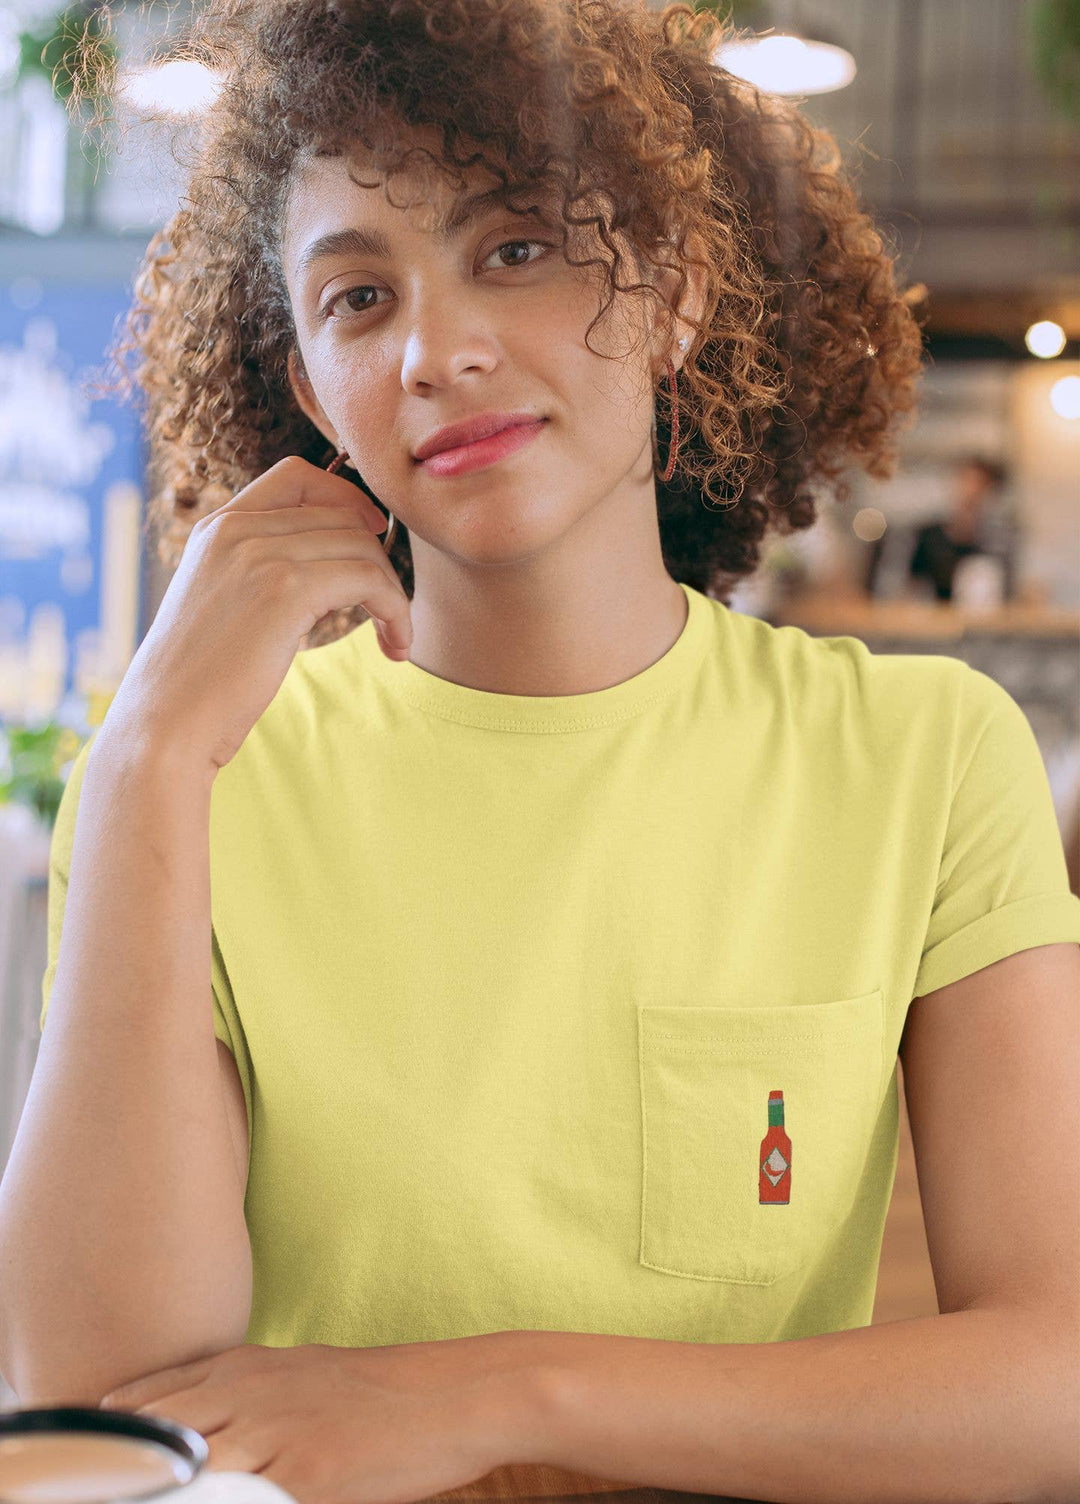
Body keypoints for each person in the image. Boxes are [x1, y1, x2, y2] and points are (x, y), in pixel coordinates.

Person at [7, 2, 1079, 1501]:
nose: (437, 348)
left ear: (675, 292)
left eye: (515, 248)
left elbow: (1051, 1386)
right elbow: (103, 1413)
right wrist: (141, 763)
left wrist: (500, 1394)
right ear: (317, 397)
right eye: (359, 298)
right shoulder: (198, 786)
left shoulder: (923, 758)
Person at [865, 454, 1015, 602]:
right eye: (965, 482)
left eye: (979, 485)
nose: (971, 492)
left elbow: (1013, 591)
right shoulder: (927, 537)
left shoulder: (998, 543)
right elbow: (904, 586)